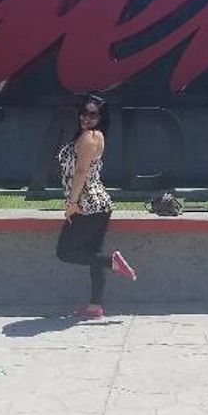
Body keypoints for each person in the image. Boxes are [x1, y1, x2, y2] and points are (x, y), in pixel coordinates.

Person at [56, 94, 136, 318]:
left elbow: (81, 171)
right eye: (83, 112)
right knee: (92, 255)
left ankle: (112, 262)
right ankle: (95, 306)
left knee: (64, 251)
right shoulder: (96, 135)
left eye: (92, 114)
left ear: (101, 117)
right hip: (100, 204)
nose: (86, 117)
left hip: (87, 205)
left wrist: (72, 203)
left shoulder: (89, 138)